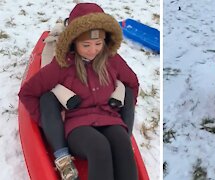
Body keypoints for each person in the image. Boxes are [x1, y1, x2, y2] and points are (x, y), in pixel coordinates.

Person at [19, 3, 139, 180]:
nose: (93, 51)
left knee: (122, 144)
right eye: (86, 45)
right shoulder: (62, 65)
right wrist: (50, 122)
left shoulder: (112, 60)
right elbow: (28, 93)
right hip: (78, 126)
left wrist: (121, 108)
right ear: (73, 43)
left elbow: (132, 84)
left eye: (98, 43)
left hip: (109, 118)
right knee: (99, 147)